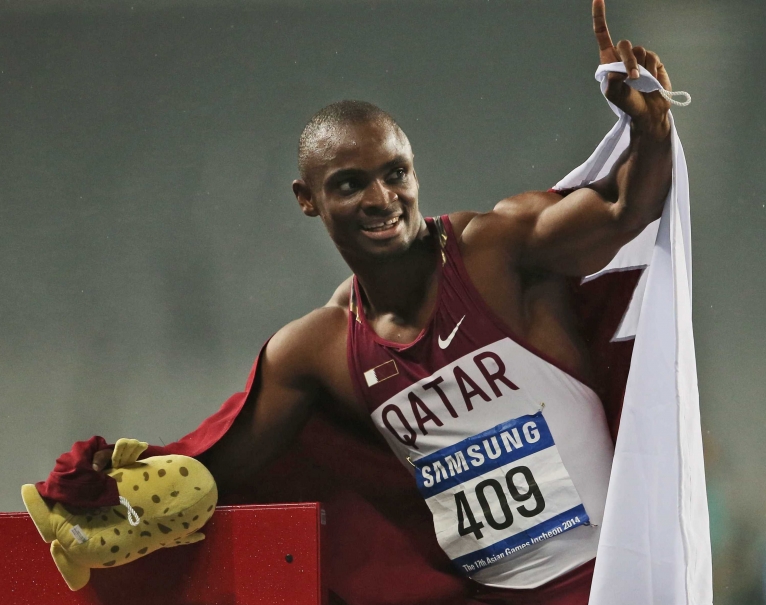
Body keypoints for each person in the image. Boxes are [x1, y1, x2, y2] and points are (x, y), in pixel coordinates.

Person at [88, 1, 675, 602]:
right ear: (307, 198)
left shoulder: (492, 253)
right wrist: (107, 496)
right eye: (350, 183)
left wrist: (650, 127)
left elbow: (622, 209)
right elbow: (220, 469)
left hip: (618, 582)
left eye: (396, 174)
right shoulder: (320, 349)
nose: (382, 198)